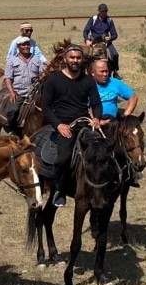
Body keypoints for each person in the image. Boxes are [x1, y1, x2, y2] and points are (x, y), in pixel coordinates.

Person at [42, 44, 102, 207]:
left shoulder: (88, 80)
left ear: (82, 60)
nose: (75, 60)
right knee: (63, 159)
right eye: (72, 57)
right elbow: (46, 106)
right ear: (65, 59)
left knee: (104, 150)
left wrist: (96, 117)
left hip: (85, 123)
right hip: (64, 125)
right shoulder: (53, 80)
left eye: (78, 57)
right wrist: (59, 125)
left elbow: (96, 103)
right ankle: (59, 190)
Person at [2, 36, 44, 135]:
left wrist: (42, 76)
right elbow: (7, 78)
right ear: (18, 46)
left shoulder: (37, 59)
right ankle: (12, 130)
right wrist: (12, 92)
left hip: (35, 92)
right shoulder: (12, 61)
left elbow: (41, 74)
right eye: (23, 45)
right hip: (19, 92)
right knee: (13, 110)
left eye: (28, 44)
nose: (26, 46)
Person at [83, 4, 121, 79]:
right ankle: (82, 73)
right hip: (94, 42)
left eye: (105, 11)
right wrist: (87, 40)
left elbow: (115, 34)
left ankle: (115, 71)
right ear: (99, 11)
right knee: (84, 56)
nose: (104, 13)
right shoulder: (93, 19)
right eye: (102, 11)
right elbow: (85, 31)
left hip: (106, 43)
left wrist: (110, 38)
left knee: (115, 54)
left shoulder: (109, 20)